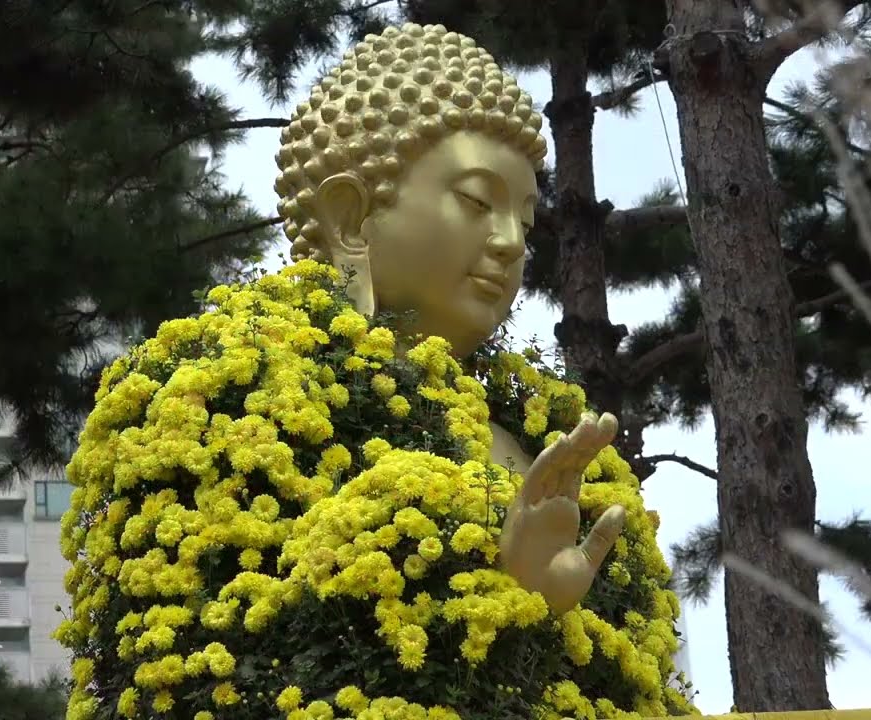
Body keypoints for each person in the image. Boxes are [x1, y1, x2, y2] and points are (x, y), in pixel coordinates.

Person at [59, 23, 690, 720]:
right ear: (350, 218)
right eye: (479, 202)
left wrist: (545, 604)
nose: (511, 243)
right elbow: (234, 664)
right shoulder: (216, 396)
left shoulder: (552, 441)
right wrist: (474, 585)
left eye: (526, 216)